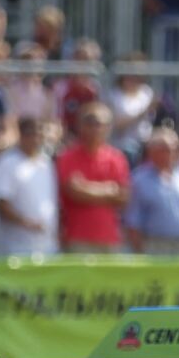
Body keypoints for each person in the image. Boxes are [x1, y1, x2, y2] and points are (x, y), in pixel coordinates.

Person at [56, 102, 129, 253]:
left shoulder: (116, 158)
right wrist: (109, 190)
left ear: (108, 128)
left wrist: (86, 188)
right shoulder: (67, 157)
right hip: (77, 238)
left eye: (100, 124)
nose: (95, 128)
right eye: (90, 122)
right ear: (80, 125)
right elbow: (72, 192)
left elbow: (123, 197)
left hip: (110, 239)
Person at [124, 128, 179, 254]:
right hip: (153, 246)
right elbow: (133, 221)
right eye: (166, 149)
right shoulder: (139, 179)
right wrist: (140, 252)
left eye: (176, 148)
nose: (173, 152)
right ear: (152, 151)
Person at [0, 116, 58, 255]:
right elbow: (1, 203)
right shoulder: (6, 162)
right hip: (16, 247)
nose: (36, 138)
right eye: (31, 133)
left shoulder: (46, 163)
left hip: (47, 246)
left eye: (40, 134)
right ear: (21, 134)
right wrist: (26, 223)